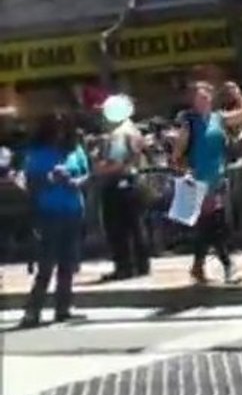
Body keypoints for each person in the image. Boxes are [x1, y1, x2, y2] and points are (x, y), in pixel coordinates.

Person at [18, 113, 91, 328]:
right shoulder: (38, 153)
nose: (60, 133)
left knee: (68, 263)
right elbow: (31, 183)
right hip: (49, 213)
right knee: (46, 264)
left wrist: (75, 181)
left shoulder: (75, 150)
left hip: (73, 211)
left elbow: (87, 175)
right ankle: (33, 311)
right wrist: (51, 178)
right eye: (56, 128)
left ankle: (63, 308)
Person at [174, 81, 242, 286]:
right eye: (198, 98)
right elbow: (177, 153)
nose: (203, 101)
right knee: (216, 225)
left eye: (206, 97)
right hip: (199, 180)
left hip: (218, 178)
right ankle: (228, 267)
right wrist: (186, 173)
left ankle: (198, 267)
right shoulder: (189, 122)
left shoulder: (219, 118)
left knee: (207, 227)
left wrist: (238, 95)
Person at [96, 100, 149, 280]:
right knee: (136, 225)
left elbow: (116, 163)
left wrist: (98, 169)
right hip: (135, 181)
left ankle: (124, 267)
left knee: (118, 229)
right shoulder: (133, 129)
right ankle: (142, 265)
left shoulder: (118, 134)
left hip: (118, 184)